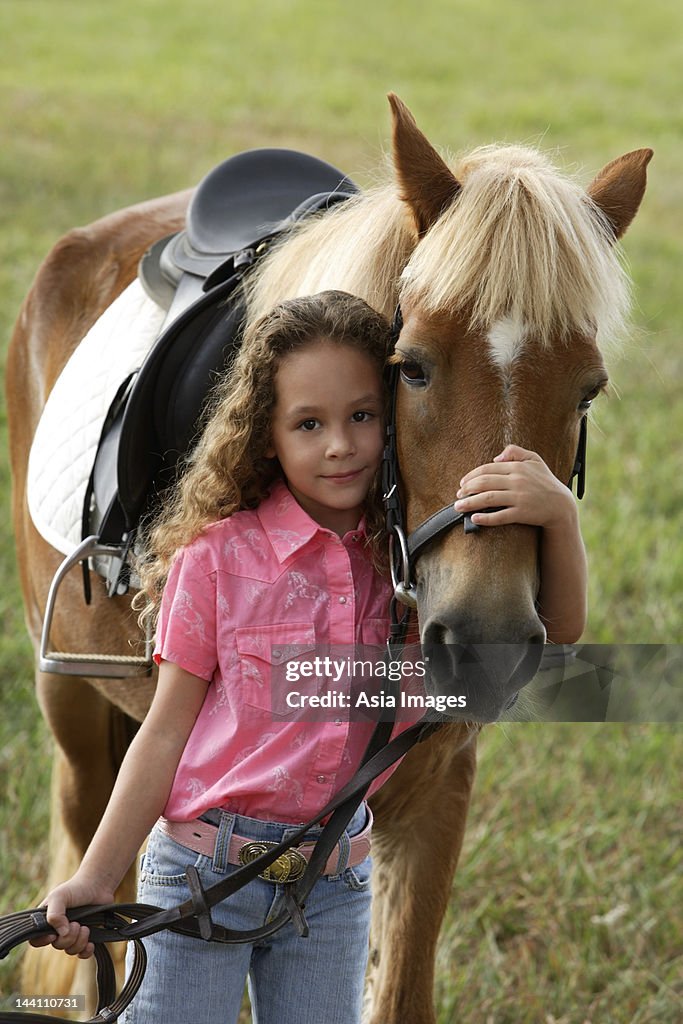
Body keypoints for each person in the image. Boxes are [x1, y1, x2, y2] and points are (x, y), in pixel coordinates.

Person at [36, 290, 588, 1024]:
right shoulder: (215, 563)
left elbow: (559, 636)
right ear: (266, 436)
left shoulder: (404, 569)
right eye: (308, 424)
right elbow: (163, 732)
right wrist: (101, 873)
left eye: (361, 416)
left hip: (331, 887)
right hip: (204, 872)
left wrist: (559, 513)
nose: (339, 445)